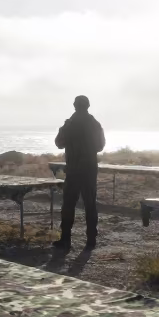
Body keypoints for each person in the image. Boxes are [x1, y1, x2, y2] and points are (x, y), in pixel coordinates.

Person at [53, 95, 105, 250]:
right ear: (88, 106)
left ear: (75, 106)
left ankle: (66, 239)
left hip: (74, 170)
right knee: (90, 204)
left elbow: (58, 143)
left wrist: (65, 128)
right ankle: (91, 241)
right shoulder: (94, 124)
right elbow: (100, 146)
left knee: (69, 205)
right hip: (89, 169)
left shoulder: (70, 124)